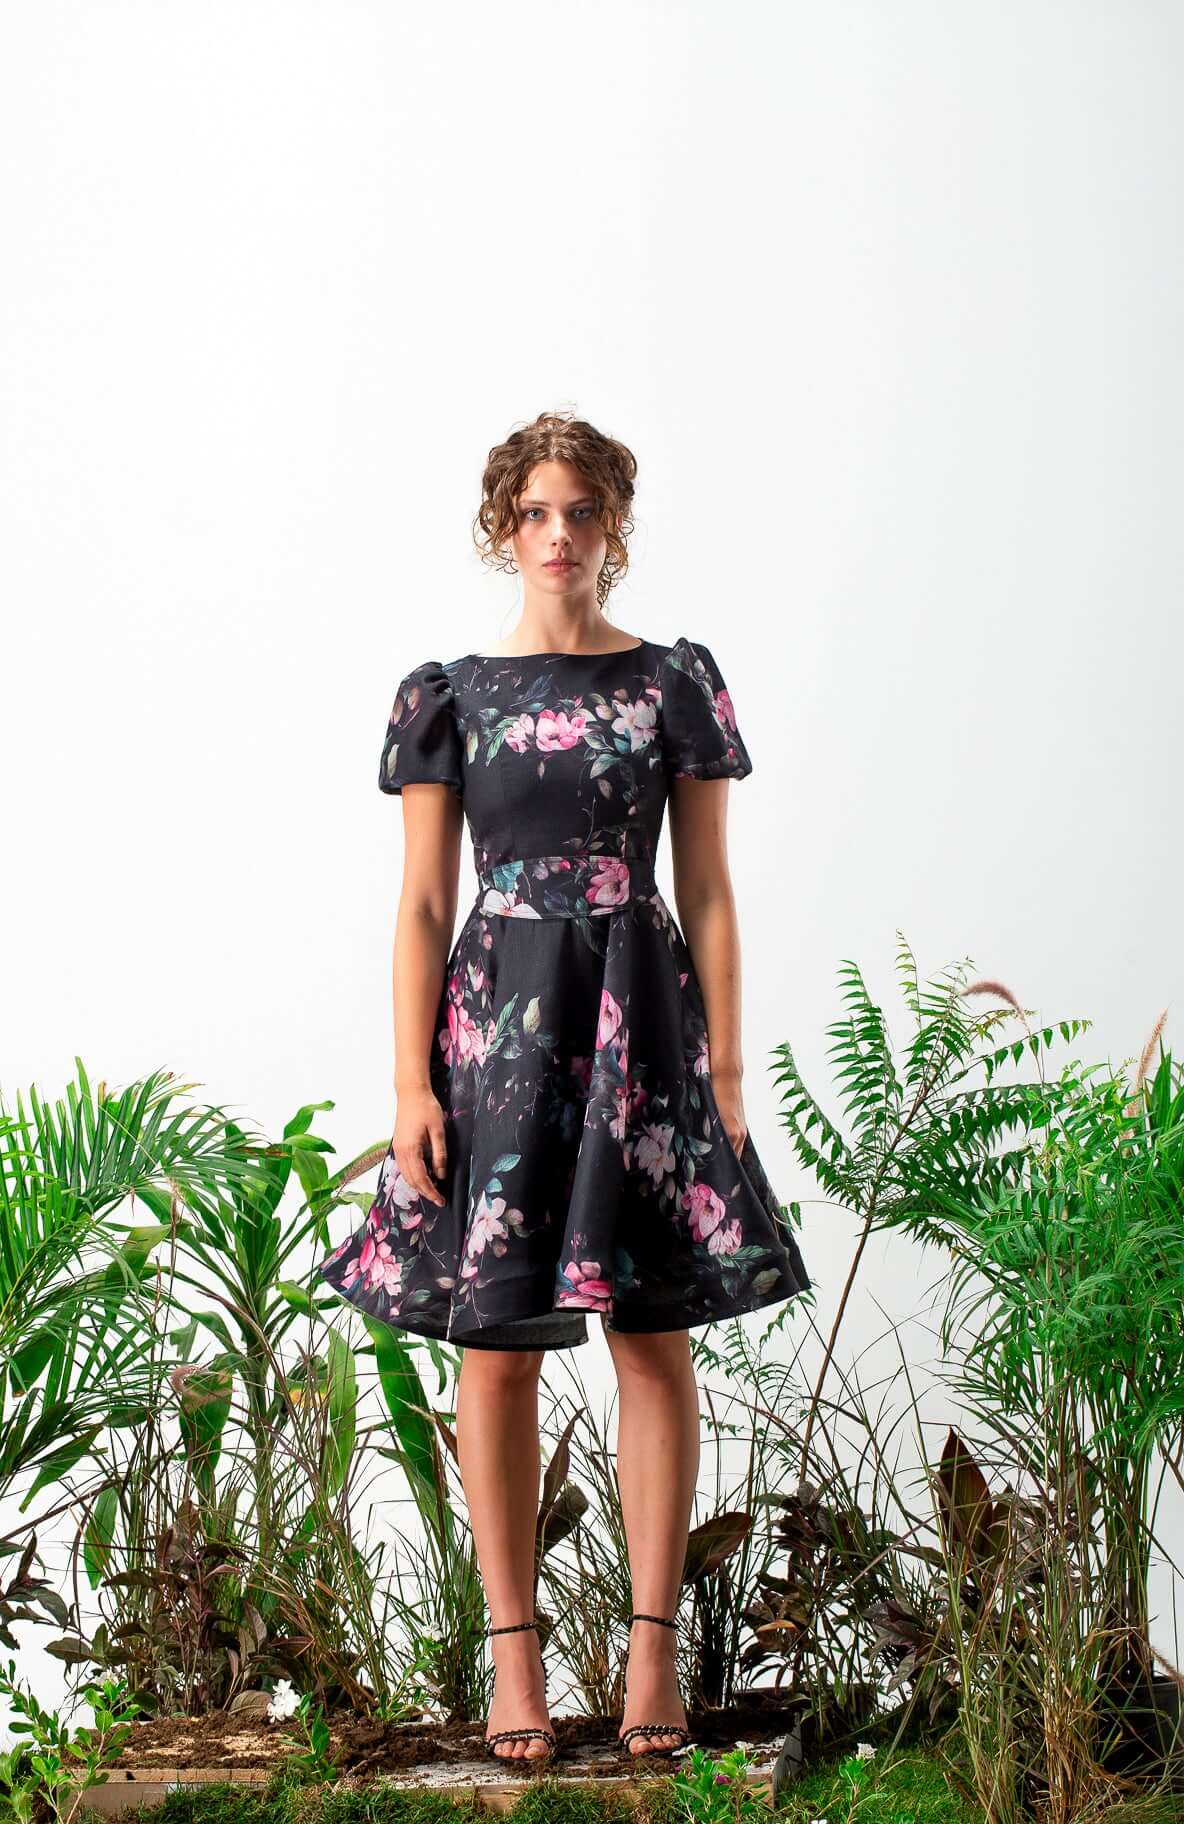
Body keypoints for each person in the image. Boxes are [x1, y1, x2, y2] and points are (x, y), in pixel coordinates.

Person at [320, 409, 813, 1763]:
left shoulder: (670, 682)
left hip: (639, 1023)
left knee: (651, 1336)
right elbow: (425, 904)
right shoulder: (452, 695)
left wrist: (723, 1066)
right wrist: (409, 1083)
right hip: (495, 1033)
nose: (559, 535)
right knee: (495, 1348)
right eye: (535, 512)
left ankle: (653, 1659)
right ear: (503, 529)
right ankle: (513, 1667)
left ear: (614, 527)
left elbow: (707, 886)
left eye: (582, 511)